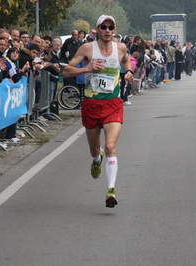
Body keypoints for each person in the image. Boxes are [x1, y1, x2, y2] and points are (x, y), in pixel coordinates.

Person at [63, 15, 134, 208]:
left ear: (114, 29)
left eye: (111, 27)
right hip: (92, 105)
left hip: (113, 105)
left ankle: (111, 191)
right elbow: (66, 71)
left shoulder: (121, 48)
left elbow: (127, 62)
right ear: (97, 29)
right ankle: (97, 159)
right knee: (95, 150)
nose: (108, 30)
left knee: (110, 146)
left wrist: (129, 73)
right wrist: (86, 68)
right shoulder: (87, 49)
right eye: (104, 27)